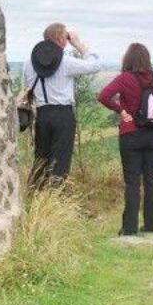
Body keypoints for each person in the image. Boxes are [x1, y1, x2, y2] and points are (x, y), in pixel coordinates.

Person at [98, 43, 153, 236]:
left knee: (132, 182)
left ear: (127, 59)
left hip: (131, 135)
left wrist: (121, 111)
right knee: (152, 179)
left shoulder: (124, 78)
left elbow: (103, 96)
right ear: (147, 59)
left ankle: (129, 228)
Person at [23, 22, 100, 187]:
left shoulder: (28, 62)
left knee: (41, 160)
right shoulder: (65, 61)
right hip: (63, 115)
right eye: (66, 37)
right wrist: (78, 43)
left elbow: (26, 88)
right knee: (60, 161)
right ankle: (55, 201)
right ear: (61, 39)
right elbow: (95, 65)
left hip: (42, 115)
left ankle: (33, 198)